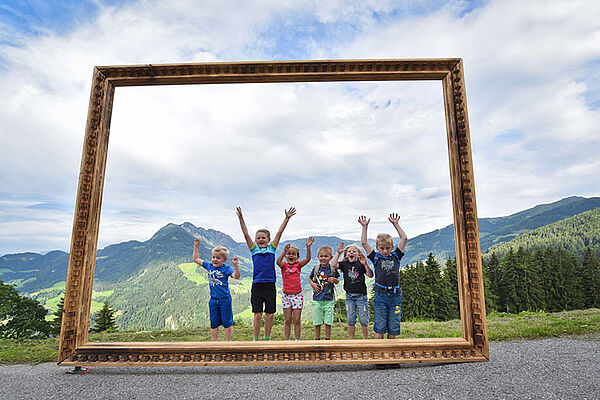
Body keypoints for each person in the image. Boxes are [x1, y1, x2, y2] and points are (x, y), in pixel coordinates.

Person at [236, 206, 296, 341]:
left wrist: (286, 218)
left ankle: (267, 338)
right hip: (257, 285)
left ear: (268, 239)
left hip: (270, 285)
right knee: (257, 313)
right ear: (255, 240)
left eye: (263, 237)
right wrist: (241, 218)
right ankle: (255, 339)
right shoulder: (253, 249)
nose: (260, 239)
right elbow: (245, 234)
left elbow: (279, 233)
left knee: (270, 313)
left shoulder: (272, 248)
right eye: (258, 238)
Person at [358, 213, 407, 339]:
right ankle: (378, 352)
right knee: (379, 326)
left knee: (394, 326)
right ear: (377, 248)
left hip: (395, 296)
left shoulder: (396, 256)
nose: (385, 251)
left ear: (392, 247)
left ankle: (390, 353)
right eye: (382, 248)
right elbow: (363, 242)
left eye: (387, 248)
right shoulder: (375, 257)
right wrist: (365, 227)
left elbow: (404, 239)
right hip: (380, 295)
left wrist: (396, 224)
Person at [193, 238, 240, 341]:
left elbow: (236, 276)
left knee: (227, 322)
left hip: (225, 300)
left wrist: (235, 265)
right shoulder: (209, 266)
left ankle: (228, 342)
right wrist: (196, 246)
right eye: (213, 257)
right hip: (213, 300)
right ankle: (215, 343)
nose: (214, 259)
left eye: (218, 258)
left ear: (224, 260)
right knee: (214, 323)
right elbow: (196, 259)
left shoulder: (226, 269)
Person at [332, 242, 373, 339]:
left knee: (363, 319)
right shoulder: (344, 264)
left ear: (358, 255)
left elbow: (370, 275)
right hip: (349, 296)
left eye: (354, 251)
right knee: (350, 319)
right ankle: (351, 340)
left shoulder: (361, 264)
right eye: (349, 251)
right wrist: (338, 253)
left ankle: (365, 340)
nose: (351, 253)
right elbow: (334, 264)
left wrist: (365, 264)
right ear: (346, 255)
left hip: (361, 296)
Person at [276, 237, 314, 340]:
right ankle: (287, 340)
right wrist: (284, 251)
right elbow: (278, 262)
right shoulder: (284, 265)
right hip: (286, 296)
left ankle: (297, 340)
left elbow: (308, 259)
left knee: (297, 320)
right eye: (289, 253)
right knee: (287, 320)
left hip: (297, 296)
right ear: (286, 256)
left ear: (297, 257)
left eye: (293, 254)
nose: (291, 255)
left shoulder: (298, 265)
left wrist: (308, 247)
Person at [308, 245, 339, 340]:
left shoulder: (332, 269)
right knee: (317, 320)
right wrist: (313, 284)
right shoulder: (316, 268)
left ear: (331, 257)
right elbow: (310, 277)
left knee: (328, 321)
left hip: (329, 299)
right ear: (318, 257)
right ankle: (317, 339)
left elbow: (337, 280)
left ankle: (327, 339)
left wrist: (334, 280)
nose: (323, 258)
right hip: (317, 299)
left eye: (326, 256)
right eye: (321, 256)